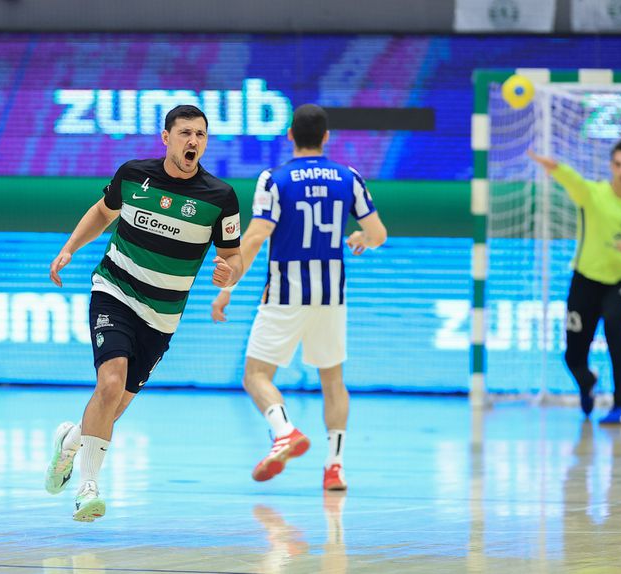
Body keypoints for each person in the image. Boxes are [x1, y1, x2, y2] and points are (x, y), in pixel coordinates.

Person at [45, 105, 243, 522]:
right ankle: (87, 488)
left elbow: (233, 258)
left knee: (112, 407)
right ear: (166, 137)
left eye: (201, 135)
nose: (193, 142)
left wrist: (229, 273)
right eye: (185, 133)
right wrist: (70, 248)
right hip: (114, 290)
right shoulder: (134, 175)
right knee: (110, 382)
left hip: (163, 316)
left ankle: (71, 441)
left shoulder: (220, 198)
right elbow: (103, 212)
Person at [211, 104, 387, 490]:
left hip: (285, 295)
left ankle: (284, 430)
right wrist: (360, 238)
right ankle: (335, 466)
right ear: (326, 137)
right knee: (333, 381)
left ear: (290, 134)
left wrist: (228, 288)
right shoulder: (349, 177)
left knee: (256, 375)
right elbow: (378, 234)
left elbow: (256, 238)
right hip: (331, 297)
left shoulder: (275, 179)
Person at [529, 141, 621, 425]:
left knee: (616, 327)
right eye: (618, 165)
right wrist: (556, 167)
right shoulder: (594, 195)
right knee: (573, 354)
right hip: (585, 279)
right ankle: (587, 380)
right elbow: (574, 181)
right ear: (611, 166)